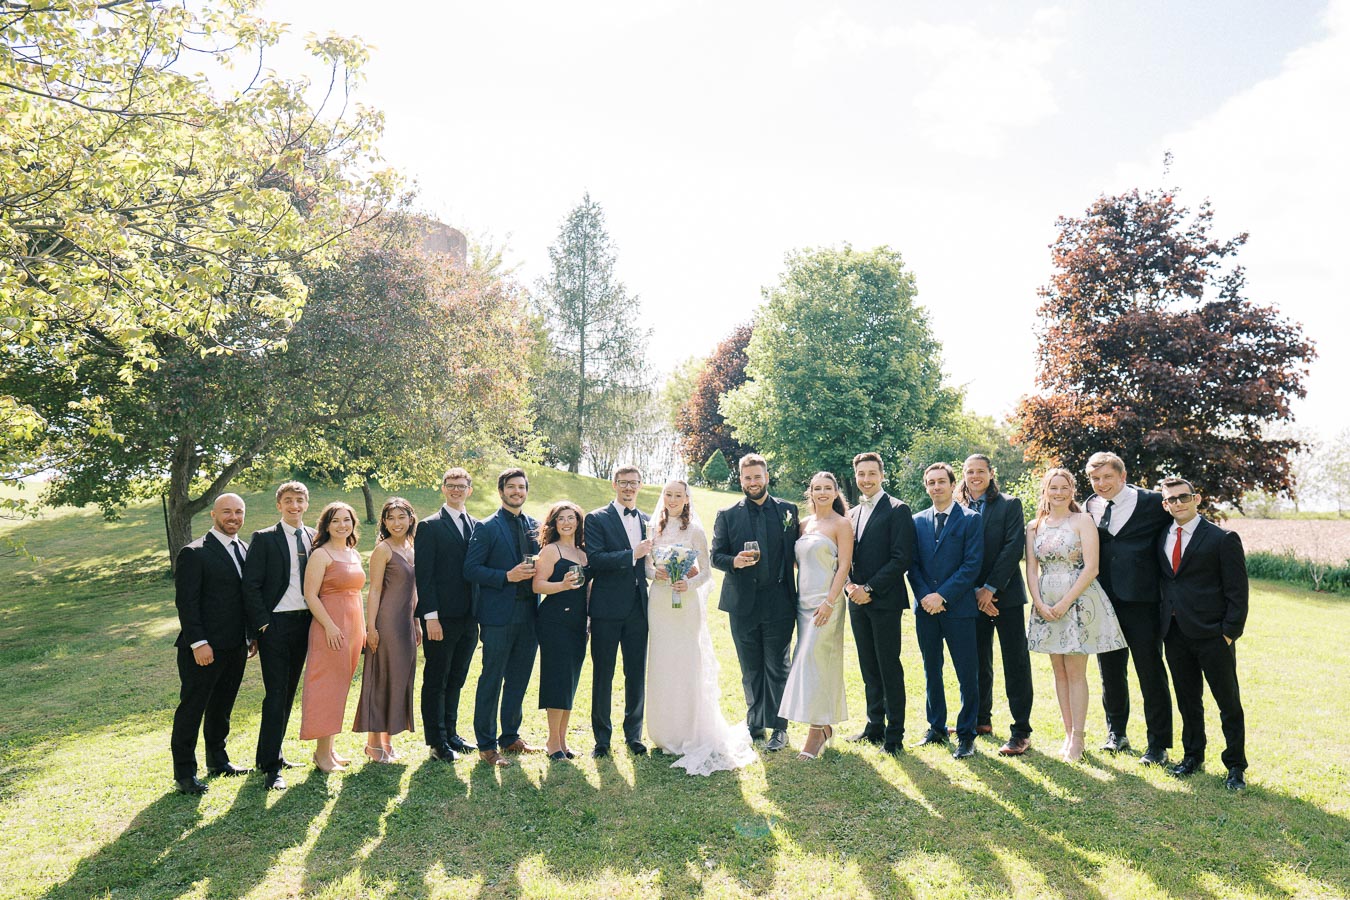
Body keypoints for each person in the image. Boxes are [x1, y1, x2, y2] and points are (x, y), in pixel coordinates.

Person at [645, 480, 757, 775]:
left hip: (686, 603)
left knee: (686, 662)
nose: (672, 500)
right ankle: (663, 730)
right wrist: (653, 572)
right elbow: (644, 565)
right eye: (668, 495)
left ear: (686, 499)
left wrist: (688, 583)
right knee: (661, 662)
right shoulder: (651, 529)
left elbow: (706, 572)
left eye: (678, 495)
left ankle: (689, 728)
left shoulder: (694, 530)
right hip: (658, 602)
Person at [1025, 468, 1127, 762]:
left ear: (1072, 490)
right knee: (1058, 671)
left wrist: (1067, 602)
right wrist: (1039, 602)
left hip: (1078, 600)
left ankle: (1079, 738)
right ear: (1045, 490)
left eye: (1064, 487)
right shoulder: (1034, 526)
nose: (1058, 492)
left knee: (1075, 672)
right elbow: (1032, 568)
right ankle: (1068, 733)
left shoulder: (1083, 521)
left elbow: (1092, 567)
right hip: (1046, 601)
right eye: (1052, 487)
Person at [1156, 477, 1250, 790]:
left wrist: (1228, 633)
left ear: (1197, 499)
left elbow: (1238, 591)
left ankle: (1235, 765)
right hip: (1175, 633)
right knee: (1187, 700)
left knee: (1228, 702)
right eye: (1171, 499)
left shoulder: (1222, 538)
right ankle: (1193, 756)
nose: (1178, 503)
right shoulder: (1162, 536)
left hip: (1213, 634)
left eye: (1184, 497)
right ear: (1165, 505)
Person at [1084, 451, 1174, 765]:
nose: (1101, 483)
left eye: (1107, 477)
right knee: (1110, 671)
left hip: (1143, 602)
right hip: (1103, 600)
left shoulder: (1152, 503)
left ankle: (1158, 745)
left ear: (1122, 476)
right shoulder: (1088, 506)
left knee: (1150, 672)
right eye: (1095, 478)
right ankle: (1116, 733)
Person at [710, 453, 799, 753]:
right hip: (742, 603)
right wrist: (733, 561)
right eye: (747, 478)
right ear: (741, 480)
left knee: (777, 666)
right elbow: (715, 555)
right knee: (750, 669)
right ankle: (756, 722)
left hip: (780, 602)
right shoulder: (727, 514)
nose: (752, 482)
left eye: (757, 477)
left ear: (766, 477)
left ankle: (780, 727)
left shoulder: (789, 511)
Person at [170, 493, 253, 794]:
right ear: (214, 516)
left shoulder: (244, 549)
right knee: (193, 709)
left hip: (236, 646)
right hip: (203, 649)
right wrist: (199, 642)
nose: (233, 518)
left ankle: (218, 760)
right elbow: (187, 603)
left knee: (222, 707)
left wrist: (250, 635)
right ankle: (184, 774)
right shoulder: (194, 552)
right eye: (227, 512)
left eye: (239, 512)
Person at [957, 454, 1034, 756]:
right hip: (970, 596)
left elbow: (1013, 547)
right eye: (969, 472)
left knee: (1015, 662)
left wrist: (990, 589)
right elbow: (959, 552)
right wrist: (976, 591)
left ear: (991, 473)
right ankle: (980, 720)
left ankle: (1021, 731)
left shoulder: (1009, 504)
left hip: (1006, 597)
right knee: (976, 662)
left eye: (980, 471)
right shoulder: (958, 507)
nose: (975, 476)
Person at [464, 468, 542, 767]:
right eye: (511, 487)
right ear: (501, 491)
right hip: (498, 615)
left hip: (530, 613)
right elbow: (470, 570)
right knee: (492, 677)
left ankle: (510, 736)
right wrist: (506, 576)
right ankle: (486, 744)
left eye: (521, 487)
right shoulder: (486, 527)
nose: (517, 492)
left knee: (519, 677)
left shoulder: (536, 526)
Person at [242, 481, 315, 790]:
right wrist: (262, 627)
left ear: (306, 504)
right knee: (275, 694)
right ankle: (272, 768)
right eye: (288, 500)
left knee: (287, 693)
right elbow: (251, 585)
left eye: (299, 500)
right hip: (276, 625)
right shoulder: (264, 538)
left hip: (305, 624)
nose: (294, 505)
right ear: (279, 505)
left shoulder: (314, 537)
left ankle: (270, 753)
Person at [907, 463, 983, 759]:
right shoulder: (916, 521)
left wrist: (943, 596)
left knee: (967, 673)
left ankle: (966, 735)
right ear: (926, 487)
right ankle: (936, 728)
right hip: (925, 608)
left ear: (953, 485)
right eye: (931, 482)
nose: (936, 487)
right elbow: (911, 565)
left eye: (941, 482)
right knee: (931, 669)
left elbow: (971, 565)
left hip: (959, 608)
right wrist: (926, 596)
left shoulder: (970, 520)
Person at [843, 451, 915, 757]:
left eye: (872, 473)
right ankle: (874, 726)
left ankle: (894, 735)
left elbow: (902, 558)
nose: (866, 479)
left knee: (888, 667)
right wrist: (850, 587)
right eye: (861, 474)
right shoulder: (852, 514)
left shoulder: (898, 509)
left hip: (884, 601)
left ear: (881, 475)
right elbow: (846, 556)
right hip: (856, 602)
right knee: (868, 666)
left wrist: (870, 588)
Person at [780, 472, 854, 760]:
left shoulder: (841, 524)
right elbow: (802, 562)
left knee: (815, 662)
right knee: (810, 663)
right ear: (810, 493)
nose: (822, 493)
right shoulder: (803, 524)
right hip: (802, 604)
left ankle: (815, 733)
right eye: (817, 488)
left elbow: (844, 565)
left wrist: (829, 601)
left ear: (836, 493)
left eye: (827, 488)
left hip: (827, 605)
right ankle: (823, 725)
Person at [583, 465, 653, 757]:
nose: (628, 488)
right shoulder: (596, 519)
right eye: (623, 483)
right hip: (606, 609)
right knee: (603, 674)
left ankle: (634, 734)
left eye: (633, 484)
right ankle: (602, 738)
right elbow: (595, 560)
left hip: (639, 608)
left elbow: (651, 563)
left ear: (639, 486)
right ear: (614, 484)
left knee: (636, 673)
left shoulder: (649, 521)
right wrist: (631, 554)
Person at [414, 467, 480, 762]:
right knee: (436, 679)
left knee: (457, 677)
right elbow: (424, 576)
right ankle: (437, 741)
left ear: (470, 489)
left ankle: (451, 732)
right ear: (443, 488)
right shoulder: (429, 527)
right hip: (440, 618)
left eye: (461, 485)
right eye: (450, 485)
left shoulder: (477, 525)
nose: (456, 490)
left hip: (470, 617)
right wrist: (431, 617)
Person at [298, 501, 367, 773]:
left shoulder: (353, 553)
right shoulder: (321, 555)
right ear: (326, 525)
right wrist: (329, 626)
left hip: (352, 631)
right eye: (336, 520)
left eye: (347, 520)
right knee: (325, 689)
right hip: (330, 630)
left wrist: (361, 630)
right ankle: (321, 754)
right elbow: (310, 595)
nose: (342, 525)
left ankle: (330, 750)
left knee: (340, 688)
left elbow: (357, 595)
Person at [353, 497, 421, 762]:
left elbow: (414, 590)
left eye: (401, 517)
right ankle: (373, 744)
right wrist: (371, 627)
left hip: (406, 623)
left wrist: (416, 622)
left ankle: (387, 740)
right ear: (383, 521)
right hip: (386, 622)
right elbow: (375, 590)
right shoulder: (383, 549)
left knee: (399, 678)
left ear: (411, 519)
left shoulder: (412, 547)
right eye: (390, 518)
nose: (396, 523)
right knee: (381, 678)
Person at [532, 501, 590, 760]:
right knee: (557, 679)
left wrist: (590, 617)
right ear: (554, 523)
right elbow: (538, 586)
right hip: (554, 622)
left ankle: (563, 742)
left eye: (571, 518)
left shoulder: (583, 553)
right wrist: (563, 585)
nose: (567, 522)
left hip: (578, 622)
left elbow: (588, 590)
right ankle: (552, 742)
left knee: (570, 681)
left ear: (578, 522)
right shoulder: (550, 551)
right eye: (561, 518)